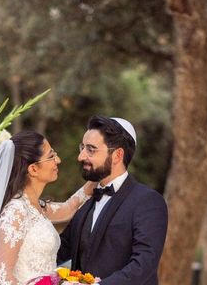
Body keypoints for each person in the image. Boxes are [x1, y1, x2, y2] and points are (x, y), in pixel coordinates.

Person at [0, 130, 95, 285]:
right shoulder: (16, 211)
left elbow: (69, 207)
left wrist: (97, 177)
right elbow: (1, 274)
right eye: (51, 156)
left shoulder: (36, 207)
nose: (58, 160)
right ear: (33, 169)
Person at [57, 116, 168, 285]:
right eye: (82, 147)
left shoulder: (148, 201)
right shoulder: (84, 201)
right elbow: (59, 251)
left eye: (91, 149)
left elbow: (144, 264)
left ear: (117, 155)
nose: (81, 156)